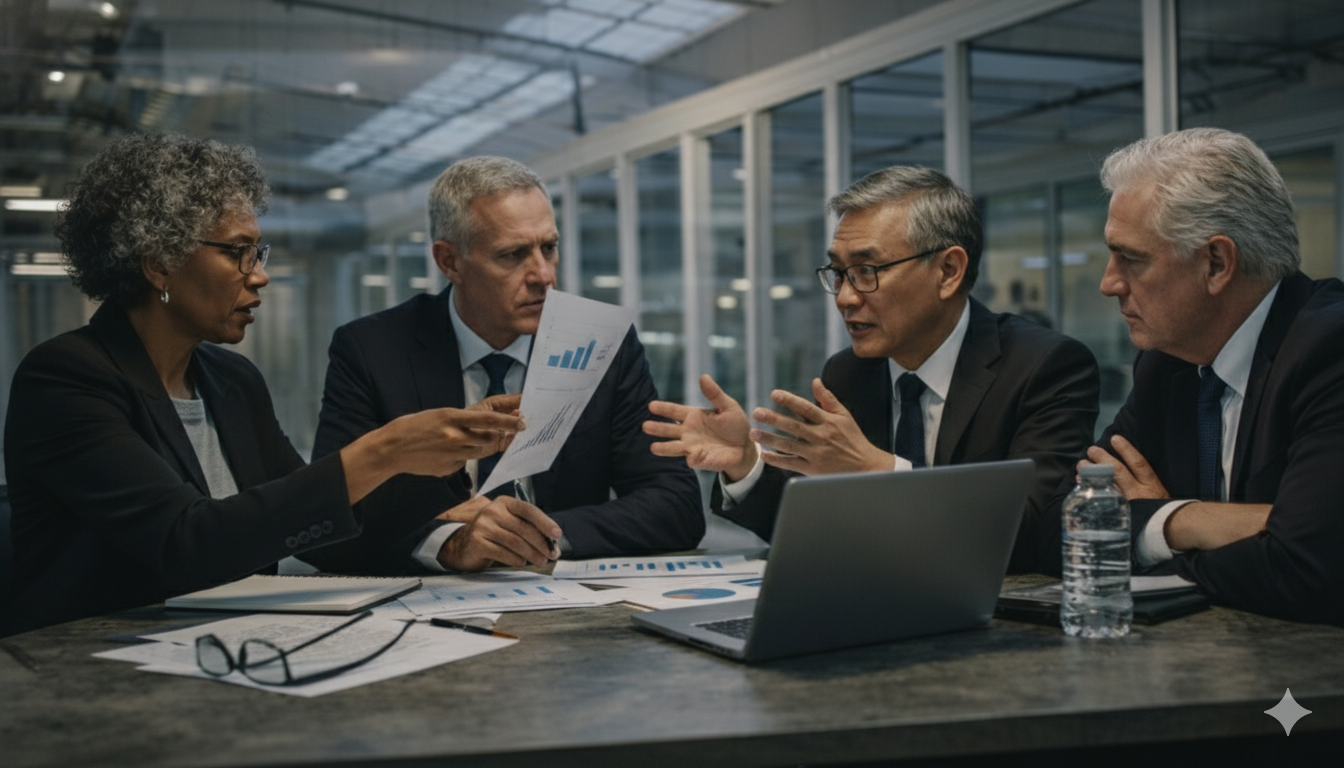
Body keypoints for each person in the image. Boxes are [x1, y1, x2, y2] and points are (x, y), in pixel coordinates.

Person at [2, 134, 525, 635]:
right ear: (159, 263)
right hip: (91, 672)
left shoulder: (231, 381)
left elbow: (320, 535)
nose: (259, 275)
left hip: (233, 650)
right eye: (237, 252)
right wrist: (386, 450)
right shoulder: (67, 379)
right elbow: (188, 543)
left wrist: (447, 469)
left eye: (259, 253)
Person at [644, 166, 1099, 572]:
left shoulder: (1044, 367)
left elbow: (1036, 533)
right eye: (839, 273)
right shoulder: (850, 374)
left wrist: (878, 470)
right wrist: (747, 465)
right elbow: (816, 525)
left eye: (867, 271)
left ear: (948, 271)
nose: (845, 297)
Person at [306, 156, 703, 574]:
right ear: (449, 262)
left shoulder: (601, 344)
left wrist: (532, 537)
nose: (543, 275)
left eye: (548, 247)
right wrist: (449, 545)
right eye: (513, 255)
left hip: (565, 601)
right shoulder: (373, 350)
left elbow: (675, 504)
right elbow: (321, 522)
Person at [1048, 127, 1344, 625]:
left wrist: (1152, 532)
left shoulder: (1329, 351)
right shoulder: (1168, 363)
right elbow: (1062, 521)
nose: (1107, 282)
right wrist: (1185, 520)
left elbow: (1306, 567)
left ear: (1216, 262)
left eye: (1131, 258)